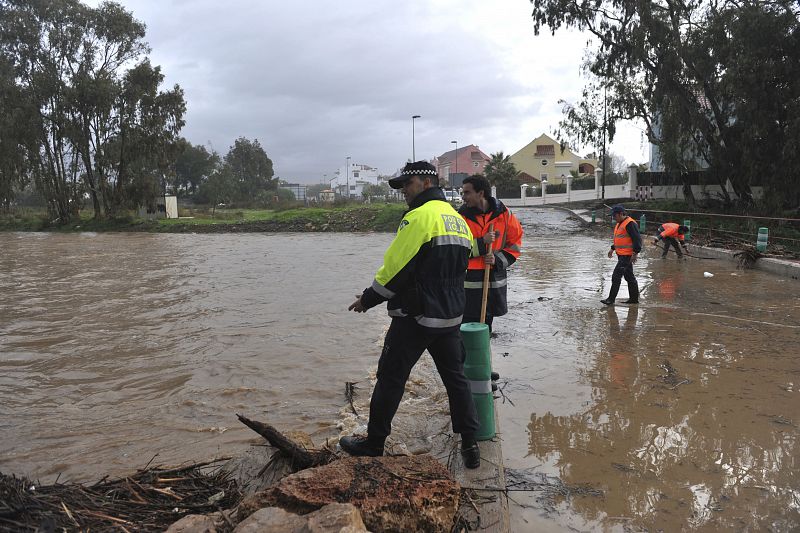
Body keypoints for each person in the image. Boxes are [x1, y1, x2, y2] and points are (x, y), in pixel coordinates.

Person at [339, 161, 482, 469]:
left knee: (390, 378)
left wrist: (367, 299)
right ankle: (471, 444)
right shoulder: (457, 219)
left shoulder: (418, 218)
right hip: (450, 316)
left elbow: (396, 268)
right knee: (456, 380)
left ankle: (374, 443)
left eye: (407, 184)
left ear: (425, 183)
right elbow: (466, 259)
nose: (403, 191)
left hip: (415, 317)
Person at [458, 175, 523, 332]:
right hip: (468, 283)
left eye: (467, 192)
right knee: (465, 328)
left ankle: (482, 355)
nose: (463, 197)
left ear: (480, 193)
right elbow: (456, 250)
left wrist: (497, 259)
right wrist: (482, 243)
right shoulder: (460, 217)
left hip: (492, 281)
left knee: (486, 327)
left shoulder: (504, 214)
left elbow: (515, 244)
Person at [601, 204, 642, 305]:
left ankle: (611, 299)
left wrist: (635, 253)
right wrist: (612, 248)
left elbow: (637, 239)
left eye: (614, 216)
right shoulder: (620, 223)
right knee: (629, 277)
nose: (613, 218)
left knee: (616, 276)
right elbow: (621, 239)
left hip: (627, 256)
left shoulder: (630, 223)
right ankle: (634, 299)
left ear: (620, 214)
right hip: (621, 254)